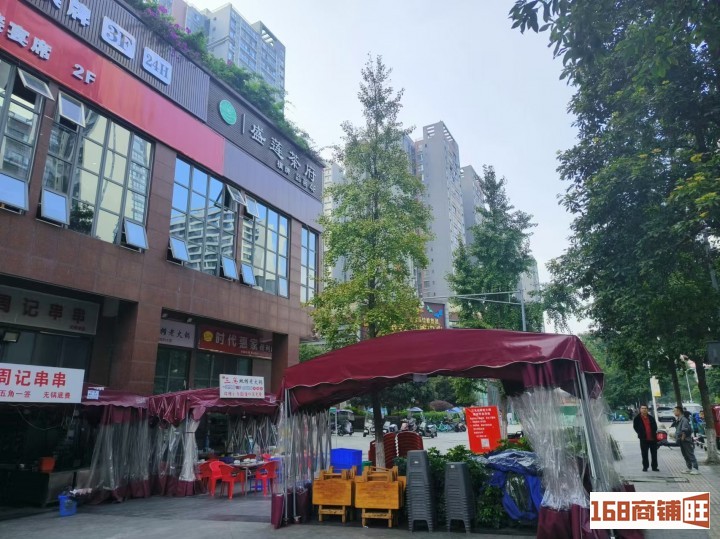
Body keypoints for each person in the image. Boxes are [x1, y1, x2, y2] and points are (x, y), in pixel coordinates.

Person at [673, 406, 699, 475]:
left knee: (690, 454)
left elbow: (685, 430)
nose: (674, 412)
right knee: (685, 455)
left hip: (686, 440)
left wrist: (682, 438)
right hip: (681, 440)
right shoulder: (679, 419)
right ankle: (689, 468)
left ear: (679, 411)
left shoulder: (684, 419)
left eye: (675, 411)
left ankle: (695, 469)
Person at [632, 405, 659, 472]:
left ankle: (654, 467)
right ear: (640, 409)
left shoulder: (651, 418)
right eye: (642, 408)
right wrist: (640, 433)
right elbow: (635, 427)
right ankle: (645, 467)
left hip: (653, 438)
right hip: (643, 439)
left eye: (645, 408)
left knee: (654, 454)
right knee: (644, 454)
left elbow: (655, 427)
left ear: (647, 409)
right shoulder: (637, 418)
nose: (644, 409)